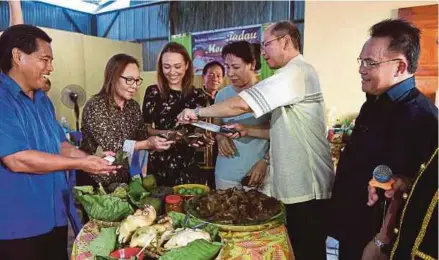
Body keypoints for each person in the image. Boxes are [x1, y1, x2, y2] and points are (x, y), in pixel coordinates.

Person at [177, 21, 334, 260]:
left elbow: (242, 103)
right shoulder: (291, 75)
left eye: (266, 44)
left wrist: (196, 112)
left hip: (306, 187)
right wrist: (244, 129)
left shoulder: (295, 73)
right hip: (296, 187)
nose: (262, 51)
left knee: (307, 250)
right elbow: (280, 130)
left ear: (286, 41)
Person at [0, 24, 118, 260]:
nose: (50, 68)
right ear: (17, 56)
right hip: (19, 224)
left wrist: (91, 159)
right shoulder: (3, 100)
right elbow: (16, 159)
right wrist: (80, 165)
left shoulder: (42, 100)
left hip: (55, 215)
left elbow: (61, 145)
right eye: (45, 60)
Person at [329, 19, 438, 260]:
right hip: (353, 228)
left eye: (370, 63)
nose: (361, 69)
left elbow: (409, 192)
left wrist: (382, 240)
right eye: (361, 61)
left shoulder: (421, 119)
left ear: (400, 67)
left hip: (377, 241)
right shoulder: (374, 103)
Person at [78, 54, 174, 189]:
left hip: (123, 180)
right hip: (96, 179)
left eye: (137, 80)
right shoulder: (96, 106)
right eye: (129, 80)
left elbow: (142, 136)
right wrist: (147, 143)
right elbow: (112, 146)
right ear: (113, 77)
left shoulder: (133, 107)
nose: (134, 86)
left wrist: (161, 139)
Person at [142, 42, 212, 187]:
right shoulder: (153, 92)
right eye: (166, 67)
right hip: (160, 164)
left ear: (187, 65)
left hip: (189, 164)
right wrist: (170, 133)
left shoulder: (198, 95)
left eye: (177, 66)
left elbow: (199, 129)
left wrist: (202, 138)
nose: (172, 72)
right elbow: (146, 128)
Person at [213, 41, 270, 190]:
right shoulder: (222, 94)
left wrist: (266, 161)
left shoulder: (268, 93)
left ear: (252, 64)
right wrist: (220, 137)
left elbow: (279, 133)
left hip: (257, 175)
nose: (230, 73)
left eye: (236, 67)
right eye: (227, 66)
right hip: (225, 174)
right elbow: (216, 125)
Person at [197, 61, 225, 188]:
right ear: (204, 76)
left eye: (218, 75)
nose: (215, 78)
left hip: (220, 155)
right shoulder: (194, 97)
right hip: (197, 154)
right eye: (211, 74)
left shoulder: (226, 99)